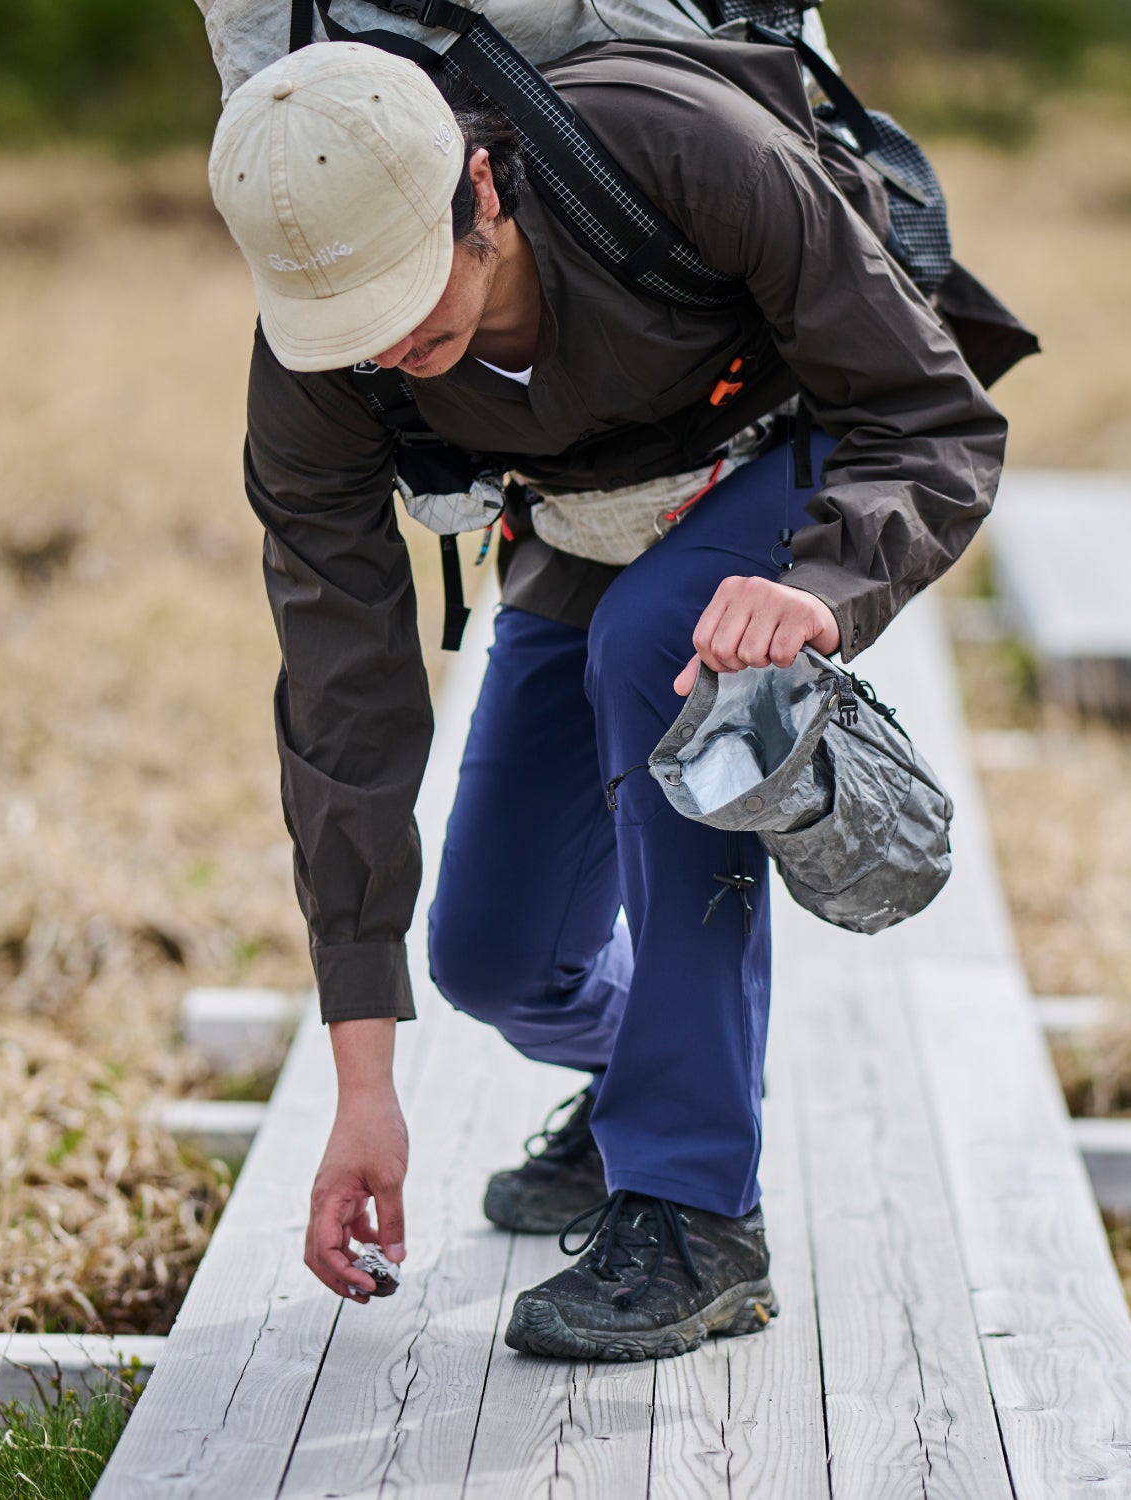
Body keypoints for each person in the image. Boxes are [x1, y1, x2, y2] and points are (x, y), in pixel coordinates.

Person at [208, 32, 1005, 1361]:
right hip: (580, 518)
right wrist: (362, 1087)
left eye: (414, 292)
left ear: (480, 187)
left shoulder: (684, 151)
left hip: (777, 454)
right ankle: (660, 1073)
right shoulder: (322, 360)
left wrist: (824, 588)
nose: (399, 348)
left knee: (657, 640)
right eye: (358, 330)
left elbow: (936, 419)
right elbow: (344, 700)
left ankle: (698, 1212)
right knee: (494, 957)